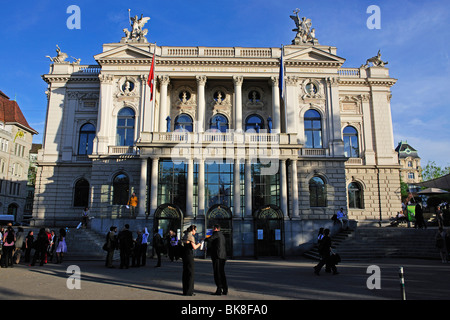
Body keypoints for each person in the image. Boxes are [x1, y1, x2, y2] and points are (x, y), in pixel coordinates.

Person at [203, 224, 228, 296]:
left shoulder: (216, 234)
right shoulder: (222, 235)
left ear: (216, 229)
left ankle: (219, 289)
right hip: (223, 256)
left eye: (213, 228)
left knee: (217, 273)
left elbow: (210, 239)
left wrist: (204, 239)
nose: (212, 229)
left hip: (217, 256)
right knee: (222, 273)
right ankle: (225, 289)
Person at [181, 225, 201, 296]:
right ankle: (189, 291)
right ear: (192, 230)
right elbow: (194, 247)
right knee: (190, 273)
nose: (195, 231)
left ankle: (185, 290)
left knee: (185, 272)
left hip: (184, 255)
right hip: (189, 255)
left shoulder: (185, 235)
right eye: (195, 230)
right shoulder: (190, 236)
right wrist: (199, 244)